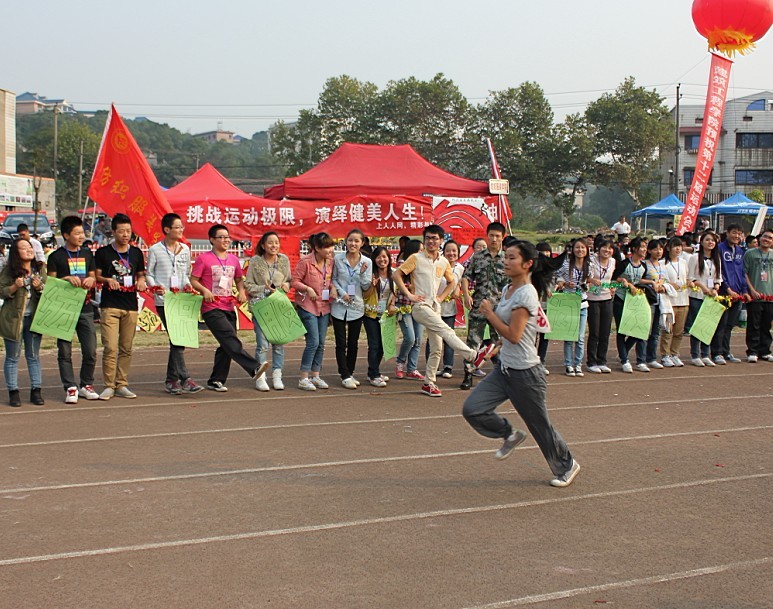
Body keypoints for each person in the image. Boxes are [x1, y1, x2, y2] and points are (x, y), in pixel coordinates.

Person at [461, 240, 580, 488]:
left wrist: (489, 314)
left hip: (526, 374)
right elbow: (514, 334)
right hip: (504, 369)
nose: (506, 261)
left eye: (512, 258)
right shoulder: (508, 289)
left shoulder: (527, 293)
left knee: (540, 426)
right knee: (473, 409)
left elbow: (515, 334)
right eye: (505, 256)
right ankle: (509, 433)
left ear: (527, 264)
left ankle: (566, 465)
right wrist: (498, 344)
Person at [392, 224, 493, 398]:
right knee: (447, 330)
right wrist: (409, 295)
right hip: (420, 306)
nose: (431, 241)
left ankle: (428, 383)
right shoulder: (416, 258)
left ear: (440, 240)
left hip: (435, 307)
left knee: (437, 347)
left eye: (434, 238)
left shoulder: (443, 261)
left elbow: (452, 281)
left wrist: (441, 297)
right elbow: (396, 275)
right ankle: (472, 355)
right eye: (428, 238)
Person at [190, 224, 268, 392]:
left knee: (226, 344)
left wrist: (241, 292)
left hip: (229, 306)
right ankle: (254, 367)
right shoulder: (203, 259)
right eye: (221, 237)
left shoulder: (233, 259)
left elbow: (239, 279)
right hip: (211, 308)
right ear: (212, 240)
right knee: (229, 338)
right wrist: (204, 291)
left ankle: (216, 380)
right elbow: (193, 280)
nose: (226, 240)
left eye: (227, 237)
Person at [146, 213, 204, 395]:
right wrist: (155, 287)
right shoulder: (155, 250)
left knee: (178, 339)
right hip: (164, 301)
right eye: (177, 227)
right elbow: (149, 274)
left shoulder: (185, 249)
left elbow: (185, 273)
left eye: (181, 227)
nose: (181, 230)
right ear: (167, 229)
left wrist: (187, 285)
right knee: (177, 338)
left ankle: (171, 380)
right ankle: (185, 379)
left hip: (181, 299)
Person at [46, 216, 99, 404]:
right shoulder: (56, 257)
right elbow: (50, 283)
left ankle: (86, 384)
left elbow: (93, 276)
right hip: (64, 309)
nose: (81, 236)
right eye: (77, 233)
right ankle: (70, 387)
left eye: (82, 233)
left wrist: (91, 280)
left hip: (85, 307)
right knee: (64, 351)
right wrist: (66, 279)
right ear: (66, 235)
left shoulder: (87, 254)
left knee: (91, 350)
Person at [95, 213, 146, 400]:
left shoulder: (136, 253)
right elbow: (97, 276)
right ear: (114, 232)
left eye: (128, 231)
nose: (125, 235)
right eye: (122, 231)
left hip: (130, 305)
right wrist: (107, 280)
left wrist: (141, 281)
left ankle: (122, 384)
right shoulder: (103, 253)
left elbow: (140, 274)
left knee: (126, 347)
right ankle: (109, 385)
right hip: (110, 305)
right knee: (110, 347)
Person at [460, 222, 509, 390]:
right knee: (473, 342)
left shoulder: (507, 259)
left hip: (499, 310)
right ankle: (468, 374)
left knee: (499, 343)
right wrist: (466, 295)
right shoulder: (478, 257)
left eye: (497, 236)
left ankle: (502, 375)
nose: (494, 239)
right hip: (479, 307)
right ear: (487, 236)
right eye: (491, 235)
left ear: (503, 237)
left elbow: (513, 283)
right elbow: (466, 277)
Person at [0, 239, 46, 406]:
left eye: (30, 247)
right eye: (24, 248)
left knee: (33, 356)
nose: (28, 250)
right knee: (12, 357)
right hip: (13, 319)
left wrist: (39, 287)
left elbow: (49, 291)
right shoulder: (9, 271)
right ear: (16, 252)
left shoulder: (40, 268)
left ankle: (36, 390)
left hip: (33, 319)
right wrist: (14, 286)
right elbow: (1, 291)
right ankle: (13, 392)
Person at [244, 231, 291, 391]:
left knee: (278, 344)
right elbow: (248, 285)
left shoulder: (284, 260)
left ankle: (277, 375)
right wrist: (263, 289)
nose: (274, 246)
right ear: (263, 245)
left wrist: (286, 286)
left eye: (276, 242)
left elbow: (289, 280)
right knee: (262, 344)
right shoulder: (255, 261)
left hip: (278, 306)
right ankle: (261, 377)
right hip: (261, 307)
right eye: (270, 243)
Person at [291, 232, 337, 391]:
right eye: (326, 247)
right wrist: (307, 288)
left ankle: (315, 375)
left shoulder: (330, 262)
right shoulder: (305, 262)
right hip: (307, 306)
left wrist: (333, 288)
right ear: (317, 248)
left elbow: (331, 280)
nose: (330, 250)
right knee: (313, 342)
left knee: (321, 343)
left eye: (331, 246)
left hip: (324, 307)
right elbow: (294, 281)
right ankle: (303, 377)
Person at [331, 229, 373, 389]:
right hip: (339, 305)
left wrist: (362, 274)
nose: (353, 244)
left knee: (353, 343)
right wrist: (342, 293)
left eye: (356, 241)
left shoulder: (367, 262)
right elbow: (333, 279)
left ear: (362, 243)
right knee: (341, 343)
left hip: (356, 306)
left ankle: (350, 372)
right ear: (345, 241)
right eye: (350, 240)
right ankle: (344, 374)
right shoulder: (338, 258)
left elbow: (366, 286)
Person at [611, 237, 655, 373]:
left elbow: (639, 279)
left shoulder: (643, 265)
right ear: (635, 249)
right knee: (622, 330)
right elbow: (613, 278)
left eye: (645, 247)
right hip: (621, 299)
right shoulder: (624, 263)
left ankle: (632, 357)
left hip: (635, 301)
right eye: (642, 247)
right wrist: (624, 281)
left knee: (638, 329)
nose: (644, 250)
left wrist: (651, 282)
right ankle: (624, 360)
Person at [710, 224, 748, 365]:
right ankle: (716, 352)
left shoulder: (740, 250)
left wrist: (744, 291)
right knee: (721, 324)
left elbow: (742, 272)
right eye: (734, 232)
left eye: (739, 233)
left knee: (729, 325)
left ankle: (726, 351)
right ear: (727, 233)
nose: (736, 236)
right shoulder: (719, 248)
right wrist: (727, 289)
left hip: (737, 294)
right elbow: (719, 272)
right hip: (723, 293)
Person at [687, 231, 723, 367]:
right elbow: (690, 277)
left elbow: (718, 278)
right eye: (707, 240)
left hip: (710, 297)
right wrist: (702, 287)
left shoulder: (716, 258)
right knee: (697, 325)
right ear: (701, 242)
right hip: (697, 296)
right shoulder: (695, 258)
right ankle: (695, 354)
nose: (710, 242)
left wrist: (715, 288)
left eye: (712, 240)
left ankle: (705, 354)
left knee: (708, 325)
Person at [555, 239, 590, 377]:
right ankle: (568, 365)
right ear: (573, 250)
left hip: (583, 304)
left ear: (587, 250)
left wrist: (588, 286)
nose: (580, 250)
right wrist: (564, 283)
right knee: (569, 336)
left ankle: (578, 364)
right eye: (577, 247)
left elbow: (590, 282)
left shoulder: (589, 265)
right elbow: (557, 277)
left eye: (583, 247)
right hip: (569, 303)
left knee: (580, 337)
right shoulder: (565, 265)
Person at [362, 246, 396, 387]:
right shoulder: (370, 274)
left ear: (389, 258)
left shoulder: (394, 273)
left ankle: (374, 371)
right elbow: (365, 295)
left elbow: (395, 292)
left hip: (386, 315)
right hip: (371, 313)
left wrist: (392, 304)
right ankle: (374, 375)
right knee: (374, 344)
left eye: (384, 257)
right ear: (374, 259)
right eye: (379, 257)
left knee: (383, 345)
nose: (382, 260)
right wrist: (372, 285)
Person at [394, 239, 425, 381]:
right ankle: (400, 362)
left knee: (418, 339)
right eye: (420, 250)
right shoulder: (403, 264)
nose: (422, 253)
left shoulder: (424, 265)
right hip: (404, 305)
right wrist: (410, 290)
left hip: (418, 306)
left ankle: (412, 369)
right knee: (410, 338)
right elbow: (397, 282)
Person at [586, 239, 616, 373]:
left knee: (605, 332)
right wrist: (592, 280)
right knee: (595, 332)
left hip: (607, 299)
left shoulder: (613, 261)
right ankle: (591, 362)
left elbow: (612, 278)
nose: (607, 250)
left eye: (610, 248)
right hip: (592, 299)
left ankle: (602, 361)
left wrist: (613, 286)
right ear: (598, 248)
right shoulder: (591, 260)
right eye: (604, 247)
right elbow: (584, 277)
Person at [743, 228, 773, 362]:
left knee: (766, 325)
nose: (767, 240)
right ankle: (753, 351)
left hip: (770, 296)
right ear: (760, 238)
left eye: (770, 238)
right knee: (753, 325)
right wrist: (752, 290)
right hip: (755, 296)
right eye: (765, 237)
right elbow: (744, 273)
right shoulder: (750, 254)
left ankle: (765, 351)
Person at [659, 237, 689, 367]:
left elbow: (687, 277)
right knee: (667, 330)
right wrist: (670, 284)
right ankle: (665, 355)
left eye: (680, 246)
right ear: (668, 248)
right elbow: (660, 279)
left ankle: (674, 354)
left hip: (683, 300)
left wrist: (689, 283)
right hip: (669, 301)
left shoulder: (683, 262)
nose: (678, 249)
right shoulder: (662, 263)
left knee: (679, 331)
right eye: (675, 246)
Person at [437, 240, 464, 379]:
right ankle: (434, 366)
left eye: (454, 251)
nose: (451, 253)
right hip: (436, 308)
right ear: (443, 252)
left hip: (450, 309)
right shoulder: (438, 265)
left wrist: (458, 288)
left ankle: (448, 366)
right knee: (434, 338)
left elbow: (459, 282)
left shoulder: (460, 268)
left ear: (458, 253)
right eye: (448, 250)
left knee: (449, 338)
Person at [643, 239, 667, 369]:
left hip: (661, 301)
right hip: (648, 300)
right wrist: (651, 283)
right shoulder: (645, 264)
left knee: (656, 331)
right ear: (649, 250)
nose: (658, 252)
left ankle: (651, 358)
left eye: (660, 249)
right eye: (655, 249)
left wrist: (664, 287)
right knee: (646, 330)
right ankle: (639, 357)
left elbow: (664, 280)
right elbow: (639, 280)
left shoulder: (663, 265)